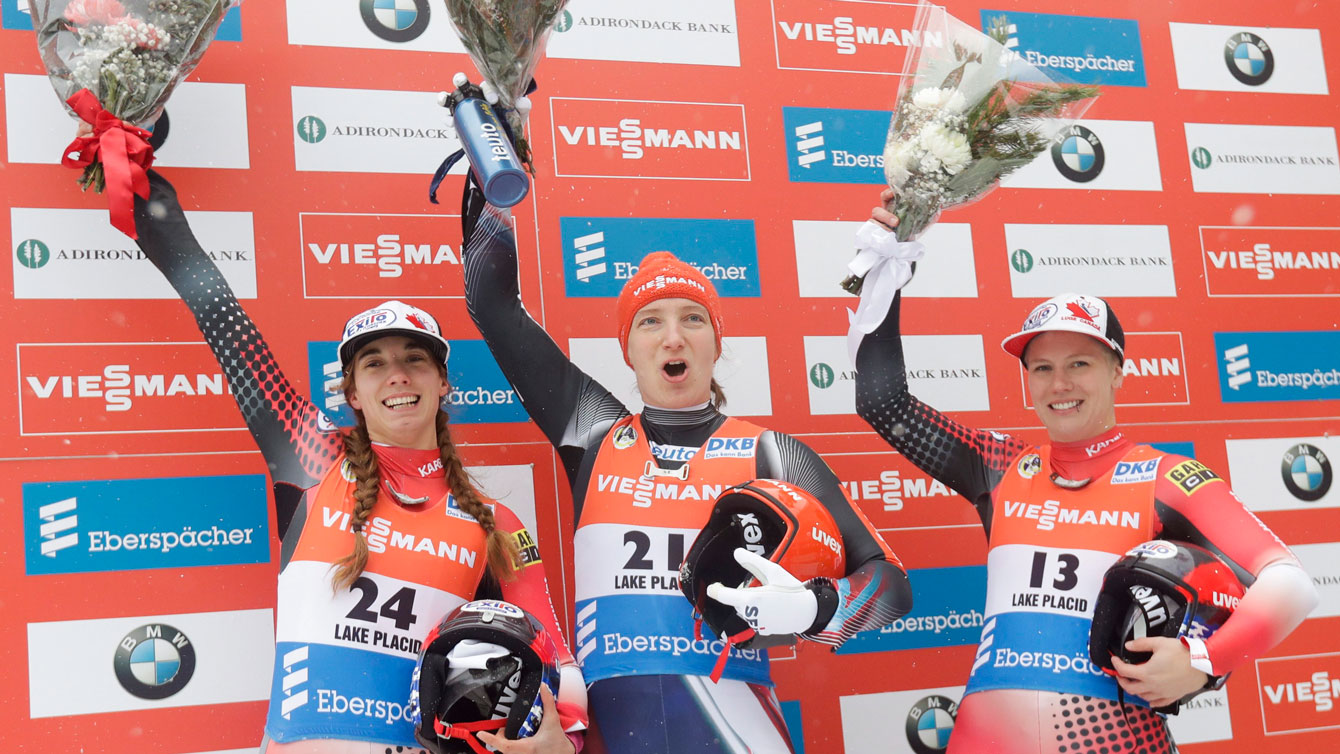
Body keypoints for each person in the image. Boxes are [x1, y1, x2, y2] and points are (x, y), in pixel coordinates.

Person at [131, 171, 588, 754]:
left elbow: (555, 654)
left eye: (414, 360)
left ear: (443, 381)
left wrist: (566, 741)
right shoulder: (314, 459)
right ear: (351, 392)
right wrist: (155, 212)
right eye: (373, 364)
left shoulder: (495, 522)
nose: (397, 374)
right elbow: (230, 334)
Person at [851, 190, 1319, 754]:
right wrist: (888, 266)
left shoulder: (1168, 477)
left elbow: (1289, 583)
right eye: (1042, 368)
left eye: (1080, 364)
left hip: (1116, 739)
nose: (1060, 384)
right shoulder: (998, 467)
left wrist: (1204, 662)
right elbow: (883, 402)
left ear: (1118, 371)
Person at [459, 184, 914, 753]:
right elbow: (494, 307)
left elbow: (891, 585)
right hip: (616, 736)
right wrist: (492, 166)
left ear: (715, 341)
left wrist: (817, 606)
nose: (673, 336)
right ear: (628, 348)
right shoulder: (595, 433)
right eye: (650, 321)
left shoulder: (773, 454)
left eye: (693, 318)